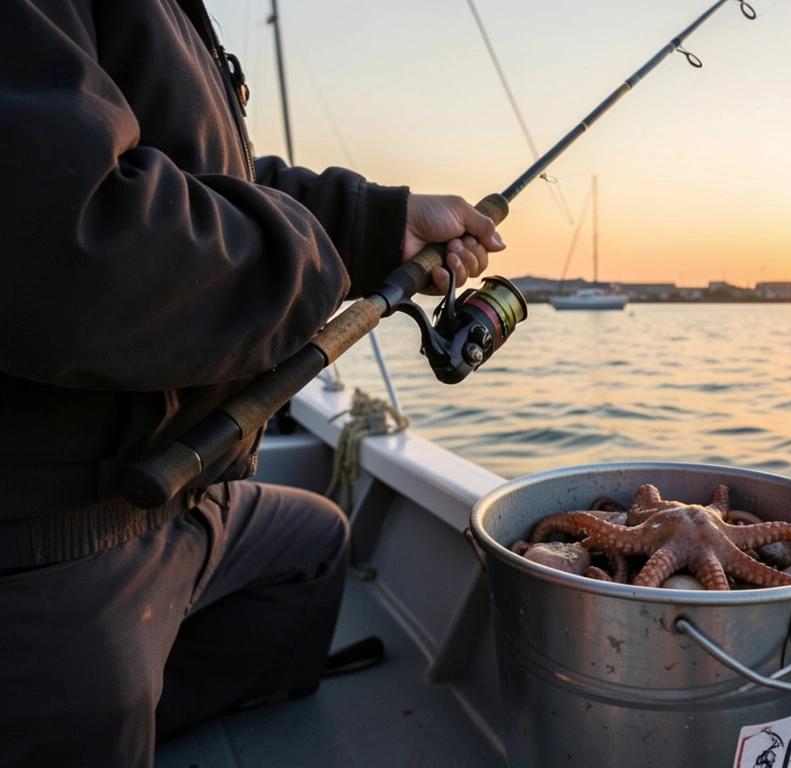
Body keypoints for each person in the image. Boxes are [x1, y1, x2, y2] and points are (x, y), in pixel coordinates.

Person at [0, 1, 505, 765]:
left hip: (169, 493)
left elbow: (208, 181)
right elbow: (68, 236)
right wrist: (324, 254)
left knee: (316, 545)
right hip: (50, 537)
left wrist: (377, 224)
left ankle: (150, 703)